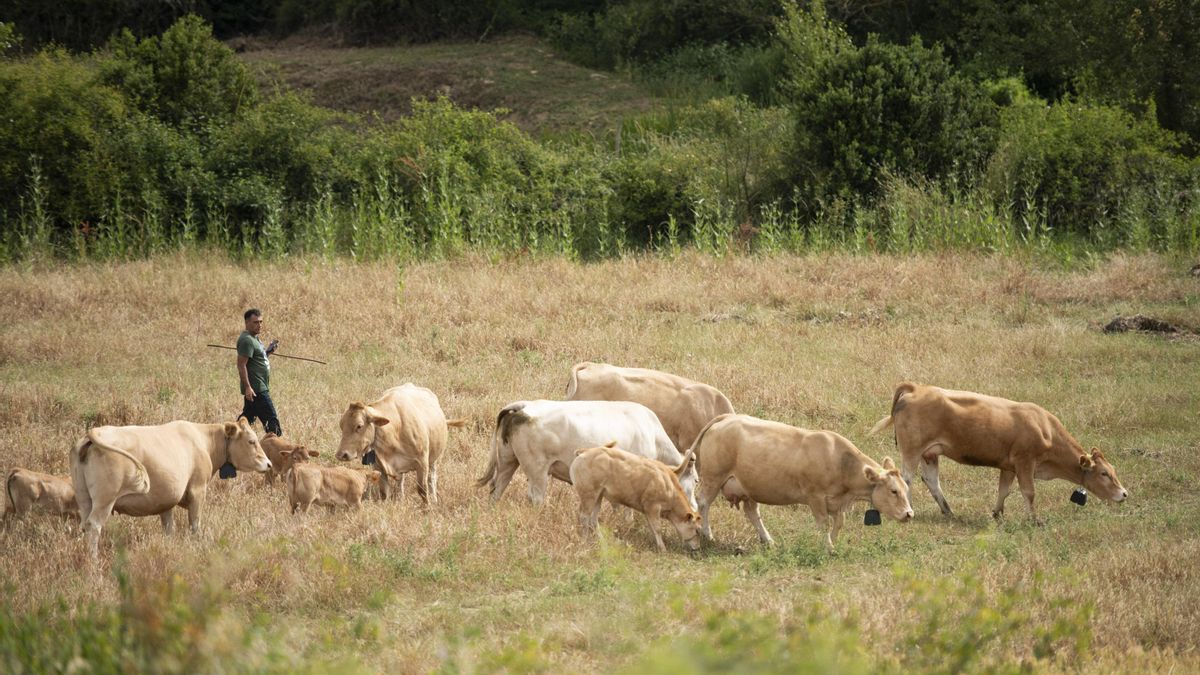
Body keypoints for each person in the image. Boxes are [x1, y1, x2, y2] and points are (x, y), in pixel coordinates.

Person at [237, 308, 282, 436]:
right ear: (246, 323)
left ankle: (229, 439)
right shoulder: (246, 340)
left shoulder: (254, 338)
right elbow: (241, 365)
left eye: (261, 322)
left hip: (258, 387)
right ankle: (275, 449)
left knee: (246, 420)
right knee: (272, 423)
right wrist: (247, 387)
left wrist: (268, 352)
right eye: (255, 322)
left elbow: (258, 360)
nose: (259, 325)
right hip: (256, 389)